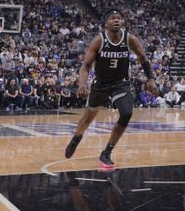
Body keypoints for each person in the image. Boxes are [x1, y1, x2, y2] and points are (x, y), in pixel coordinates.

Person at [64, 10, 158, 169]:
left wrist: (151, 78)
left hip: (120, 83)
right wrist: (82, 84)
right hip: (101, 84)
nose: (116, 21)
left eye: (119, 18)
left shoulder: (130, 39)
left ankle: (107, 152)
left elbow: (143, 59)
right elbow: (86, 66)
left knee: (127, 113)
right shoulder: (99, 40)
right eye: (112, 18)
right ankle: (76, 138)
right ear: (106, 23)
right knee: (87, 119)